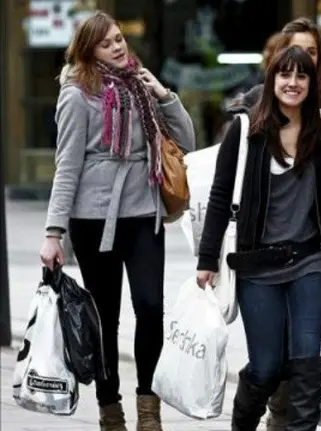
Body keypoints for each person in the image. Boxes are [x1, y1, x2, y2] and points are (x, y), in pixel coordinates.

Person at [38, 12, 195, 431]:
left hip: (144, 211)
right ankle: (110, 411)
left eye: (119, 38)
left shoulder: (140, 85)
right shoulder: (76, 94)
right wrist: (54, 233)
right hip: (94, 219)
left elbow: (187, 142)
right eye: (106, 43)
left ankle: (149, 409)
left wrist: (163, 94)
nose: (118, 47)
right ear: (89, 50)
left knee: (150, 307)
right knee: (105, 317)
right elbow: (67, 167)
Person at [195, 46, 321, 431]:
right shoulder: (245, 131)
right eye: (284, 74)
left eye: (301, 75)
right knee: (266, 367)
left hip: (309, 262)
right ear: (271, 80)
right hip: (257, 265)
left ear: (311, 83)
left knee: (306, 363)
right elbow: (220, 196)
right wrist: (207, 259)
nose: (292, 83)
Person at [232, 17, 321, 143]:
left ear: (319, 58)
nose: (304, 57)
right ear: (281, 54)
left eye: (311, 52)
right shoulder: (257, 97)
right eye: (296, 50)